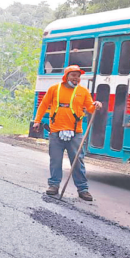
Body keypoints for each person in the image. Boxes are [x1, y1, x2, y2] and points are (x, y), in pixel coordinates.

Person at [32, 65, 102, 201]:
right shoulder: (54, 89)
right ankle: (53, 185)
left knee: (77, 161)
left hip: (75, 133)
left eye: (78, 76)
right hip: (55, 131)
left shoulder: (83, 91)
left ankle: (83, 189)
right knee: (55, 160)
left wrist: (96, 105)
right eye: (73, 75)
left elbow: (90, 109)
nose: (76, 78)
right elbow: (44, 105)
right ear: (66, 76)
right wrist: (37, 120)